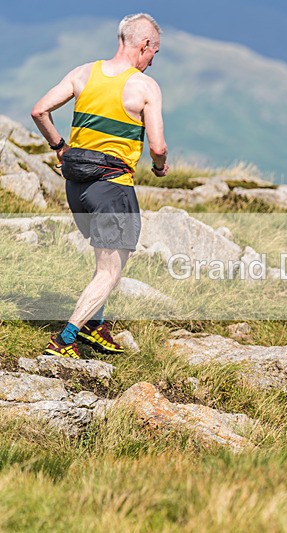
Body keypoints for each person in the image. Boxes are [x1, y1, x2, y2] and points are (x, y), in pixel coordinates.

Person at [31, 13, 168, 358]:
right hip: (113, 188)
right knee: (110, 270)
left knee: (104, 262)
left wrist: (59, 147)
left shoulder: (83, 73)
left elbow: (39, 111)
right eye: (155, 53)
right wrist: (159, 166)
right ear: (144, 45)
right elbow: (158, 146)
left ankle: (95, 326)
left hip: (77, 187)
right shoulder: (144, 87)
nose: (152, 60)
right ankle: (66, 338)